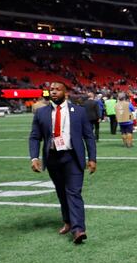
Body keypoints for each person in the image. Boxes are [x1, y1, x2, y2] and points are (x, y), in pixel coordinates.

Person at [29, 82, 97, 244]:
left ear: (65, 93)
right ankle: (67, 221)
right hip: (52, 157)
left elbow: (88, 136)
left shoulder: (79, 112)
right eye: (51, 90)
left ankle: (78, 229)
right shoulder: (41, 112)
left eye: (57, 89)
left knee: (73, 192)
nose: (53, 92)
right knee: (61, 192)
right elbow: (34, 137)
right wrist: (34, 157)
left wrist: (92, 158)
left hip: (72, 157)